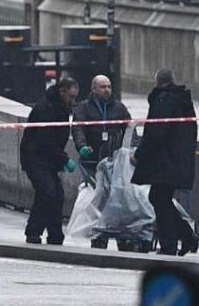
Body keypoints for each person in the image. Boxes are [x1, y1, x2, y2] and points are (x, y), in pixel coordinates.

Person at [133, 68, 199, 256]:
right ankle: (186, 236)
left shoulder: (163, 101)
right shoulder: (182, 100)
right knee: (160, 198)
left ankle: (171, 243)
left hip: (165, 161)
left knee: (159, 198)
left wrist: (139, 154)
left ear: (157, 82)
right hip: (178, 160)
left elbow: (155, 133)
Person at [19, 76, 80, 245]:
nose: (73, 101)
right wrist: (65, 159)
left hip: (48, 159)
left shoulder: (60, 107)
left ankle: (54, 235)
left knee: (56, 195)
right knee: (48, 192)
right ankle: (35, 232)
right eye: (71, 97)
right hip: (35, 157)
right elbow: (46, 141)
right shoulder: (45, 109)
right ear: (62, 92)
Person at [72, 74, 132, 168]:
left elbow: (129, 128)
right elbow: (78, 129)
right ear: (93, 89)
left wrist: (129, 148)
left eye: (109, 87)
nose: (107, 90)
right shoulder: (83, 108)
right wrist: (81, 145)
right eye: (103, 87)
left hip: (114, 157)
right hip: (92, 156)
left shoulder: (119, 107)